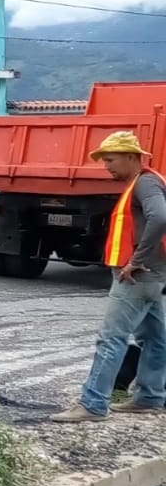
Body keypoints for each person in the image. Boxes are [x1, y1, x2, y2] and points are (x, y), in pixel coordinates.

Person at [51, 131, 166, 422]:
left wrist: (135, 261)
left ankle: (93, 403)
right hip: (152, 278)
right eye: (104, 161)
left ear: (132, 156)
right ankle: (150, 397)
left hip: (138, 277)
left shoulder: (146, 183)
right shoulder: (144, 182)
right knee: (155, 338)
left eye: (111, 160)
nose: (107, 166)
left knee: (111, 339)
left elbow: (161, 217)